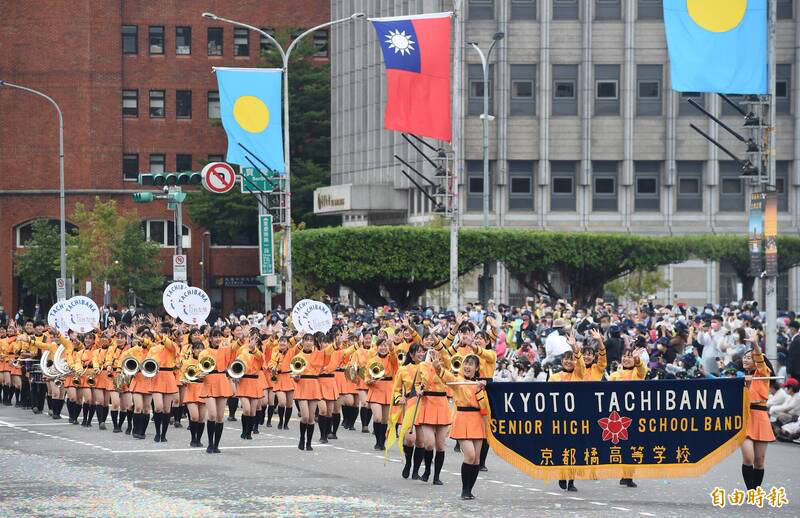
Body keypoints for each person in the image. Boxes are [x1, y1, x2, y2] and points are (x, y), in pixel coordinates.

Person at [549, 330, 584, 492]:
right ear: (561, 361)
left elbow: (581, 364)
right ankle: (562, 473)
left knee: (575, 449)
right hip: (559, 419)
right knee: (562, 448)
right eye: (566, 359)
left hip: (576, 418)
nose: (568, 362)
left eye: (571, 359)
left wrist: (575, 348)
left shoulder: (579, 374)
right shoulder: (554, 377)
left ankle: (572, 480)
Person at [740, 335, 775, 490]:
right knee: (748, 457)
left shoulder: (763, 374)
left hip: (760, 418)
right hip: (746, 418)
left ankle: (755, 490)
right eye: (745, 357)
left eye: (749, 357)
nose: (745, 359)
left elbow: (760, 359)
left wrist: (755, 344)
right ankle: (751, 491)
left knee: (759, 460)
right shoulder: (740, 378)